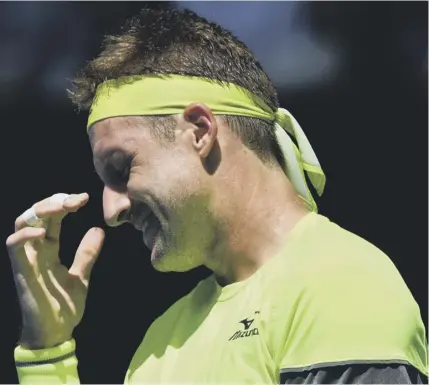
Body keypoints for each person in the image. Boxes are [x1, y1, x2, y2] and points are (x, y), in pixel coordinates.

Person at [7, 7, 428, 385]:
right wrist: (48, 350)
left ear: (200, 131)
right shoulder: (161, 339)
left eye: (122, 169)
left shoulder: (341, 283)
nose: (111, 210)